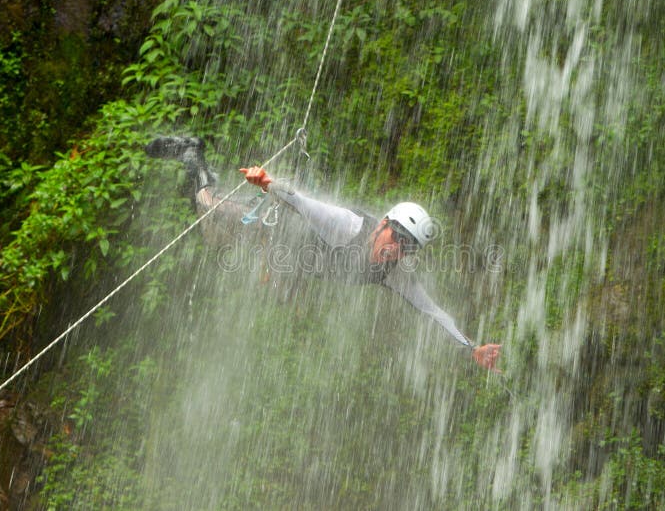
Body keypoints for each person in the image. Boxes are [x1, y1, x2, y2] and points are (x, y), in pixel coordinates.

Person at [145, 136, 501, 372]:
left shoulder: (392, 272)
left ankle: (203, 171)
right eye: (397, 236)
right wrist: (267, 183)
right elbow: (304, 204)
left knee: (276, 295)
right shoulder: (347, 226)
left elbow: (432, 311)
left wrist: (470, 347)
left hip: (290, 260)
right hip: (270, 227)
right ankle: (193, 156)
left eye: (406, 247)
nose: (396, 248)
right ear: (383, 223)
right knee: (209, 214)